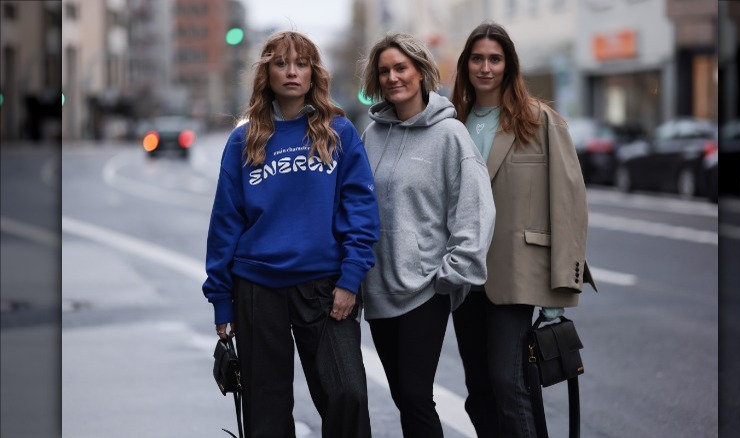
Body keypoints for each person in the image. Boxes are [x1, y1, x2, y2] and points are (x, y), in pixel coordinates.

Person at [202, 31, 379, 438]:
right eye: (281, 64)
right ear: (267, 73)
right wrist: (221, 300)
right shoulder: (243, 139)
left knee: (348, 394)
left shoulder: (338, 132)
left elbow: (361, 211)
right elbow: (225, 222)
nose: (291, 72)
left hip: (325, 287)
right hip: (258, 288)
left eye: (301, 63)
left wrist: (350, 278)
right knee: (267, 412)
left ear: (314, 72)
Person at [450, 22, 597, 437]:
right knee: (478, 390)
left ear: (509, 65)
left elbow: (568, 206)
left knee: (508, 383)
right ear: (465, 65)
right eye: (477, 58)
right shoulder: (452, 123)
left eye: (495, 59)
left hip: (516, 274)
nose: (486, 67)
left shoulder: (540, 121)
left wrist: (558, 293)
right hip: (464, 276)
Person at [359, 32, 496, 438]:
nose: (392, 77)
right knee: (404, 397)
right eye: (384, 71)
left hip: (425, 291)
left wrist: (451, 275)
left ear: (420, 72)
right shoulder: (371, 135)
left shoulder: (450, 135)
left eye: (401, 68)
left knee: (416, 396)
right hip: (378, 289)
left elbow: (474, 209)